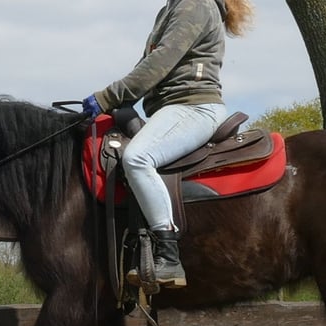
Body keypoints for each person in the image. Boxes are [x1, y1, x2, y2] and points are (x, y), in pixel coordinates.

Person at [82, 0, 254, 288]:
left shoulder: (194, 4)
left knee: (137, 158)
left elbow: (159, 63)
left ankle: (169, 253)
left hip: (193, 108)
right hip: (170, 109)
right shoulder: (173, 7)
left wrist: (107, 97)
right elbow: (146, 66)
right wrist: (117, 102)